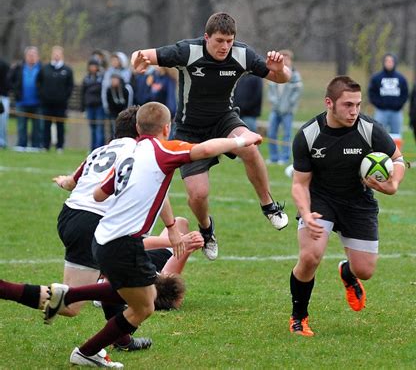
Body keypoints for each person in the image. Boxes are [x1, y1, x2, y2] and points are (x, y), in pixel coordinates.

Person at [43, 101, 263, 367]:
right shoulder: (145, 150)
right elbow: (203, 150)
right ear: (163, 129)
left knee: (132, 290)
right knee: (120, 303)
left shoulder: (107, 150)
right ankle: (56, 309)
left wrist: (171, 228)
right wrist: (240, 141)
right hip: (105, 231)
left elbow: (94, 190)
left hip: (77, 218)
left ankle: (112, 337)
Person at [131, 12, 290, 261]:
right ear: (206, 38)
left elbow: (281, 77)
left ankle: (268, 204)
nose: (224, 46)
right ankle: (207, 229)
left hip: (224, 120)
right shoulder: (188, 51)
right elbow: (143, 54)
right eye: (219, 41)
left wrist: (280, 70)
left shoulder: (242, 54)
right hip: (189, 129)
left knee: (249, 147)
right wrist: (137, 61)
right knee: (198, 194)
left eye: (229, 41)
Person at [288, 76, 405, 336]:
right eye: (348, 105)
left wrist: (394, 183)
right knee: (309, 256)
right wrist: (305, 213)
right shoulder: (309, 135)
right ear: (329, 103)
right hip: (321, 200)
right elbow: (299, 184)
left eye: (358, 105)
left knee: (365, 270)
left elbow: (398, 159)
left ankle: (348, 272)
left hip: (358, 203)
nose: (354, 111)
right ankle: (299, 317)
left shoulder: (369, 129)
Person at [266, 49, 303, 165]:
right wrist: (274, 102)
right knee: (271, 133)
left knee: (286, 134)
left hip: (288, 111)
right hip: (275, 110)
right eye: (283, 57)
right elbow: (271, 91)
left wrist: (290, 105)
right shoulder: (275, 72)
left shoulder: (295, 75)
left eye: (287, 58)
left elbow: (297, 92)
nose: (285, 60)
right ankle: (273, 157)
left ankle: (285, 158)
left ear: (290, 60)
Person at [37, 45, 74, 152]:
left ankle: (60, 146)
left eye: (58, 53)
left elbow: (70, 86)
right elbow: (39, 83)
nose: (56, 55)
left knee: (60, 126)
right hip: (47, 103)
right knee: (46, 125)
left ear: (62, 55)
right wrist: (43, 95)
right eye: (54, 53)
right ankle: (45, 146)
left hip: (61, 104)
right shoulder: (45, 68)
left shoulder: (67, 70)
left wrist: (64, 97)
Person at [8, 46, 43, 151]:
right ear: (26, 56)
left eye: (34, 55)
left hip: (37, 103)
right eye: (29, 55)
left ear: (37, 56)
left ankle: (35, 146)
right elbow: (10, 80)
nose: (31, 57)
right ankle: (21, 145)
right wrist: (16, 92)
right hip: (22, 102)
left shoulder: (42, 69)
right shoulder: (18, 68)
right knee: (21, 126)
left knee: (37, 127)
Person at [368, 53, 409, 136]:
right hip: (381, 112)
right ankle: (380, 150)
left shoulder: (401, 78)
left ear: (394, 63)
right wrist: (379, 104)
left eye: (391, 61)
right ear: (384, 62)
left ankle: (396, 149)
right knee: (379, 135)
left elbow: (405, 93)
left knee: (396, 135)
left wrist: (399, 105)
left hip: (396, 112)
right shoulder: (377, 77)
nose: (389, 63)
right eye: (387, 61)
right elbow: (371, 93)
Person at [81, 58, 106, 151]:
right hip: (89, 106)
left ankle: (99, 148)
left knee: (100, 129)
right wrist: (82, 108)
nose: (92, 68)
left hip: (99, 106)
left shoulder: (102, 77)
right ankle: (93, 149)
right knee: (92, 129)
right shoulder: (87, 78)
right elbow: (83, 93)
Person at [0, 57, 10, 148]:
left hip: (2, 96)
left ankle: (2, 142)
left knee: (2, 120)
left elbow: (8, 82)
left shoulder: (4, 65)